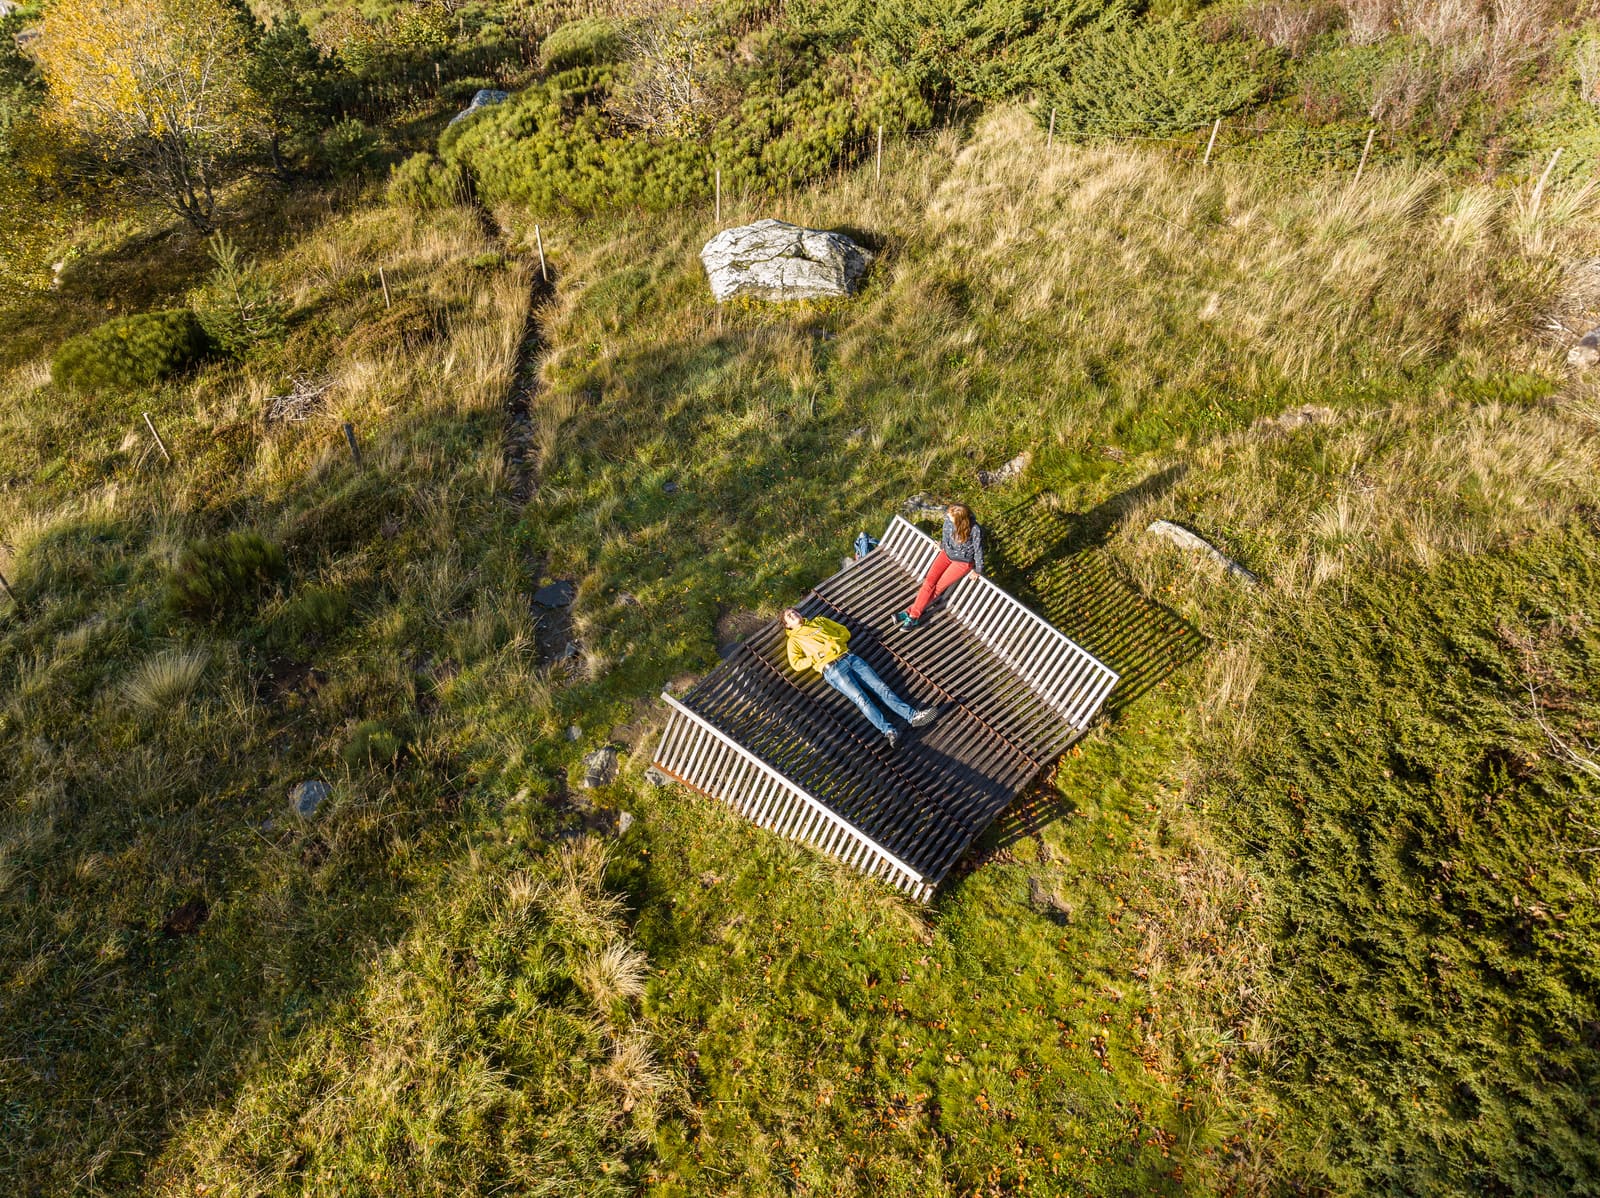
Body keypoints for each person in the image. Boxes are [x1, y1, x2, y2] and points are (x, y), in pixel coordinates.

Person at [782, 608, 937, 748]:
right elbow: (796, 663)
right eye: (789, 616)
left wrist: (835, 641)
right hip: (832, 670)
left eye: (794, 612)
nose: (793, 614)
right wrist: (819, 655)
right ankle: (889, 731)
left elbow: (844, 632)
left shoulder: (820, 621)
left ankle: (913, 716)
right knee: (861, 699)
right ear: (787, 625)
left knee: (881, 688)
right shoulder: (794, 641)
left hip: (850, 659)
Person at [894, 503, 984, 629]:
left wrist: (978, 570)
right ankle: (911, 614)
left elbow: (978, 550)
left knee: (937, 589)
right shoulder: (948, 521)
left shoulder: (974, 530)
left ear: (960, 520)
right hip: (946, 554)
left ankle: (912, 616)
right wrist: (942, 546)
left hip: (962, 562)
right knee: (928, 583)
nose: (947, 516)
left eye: (951, 516)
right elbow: (946, 537)